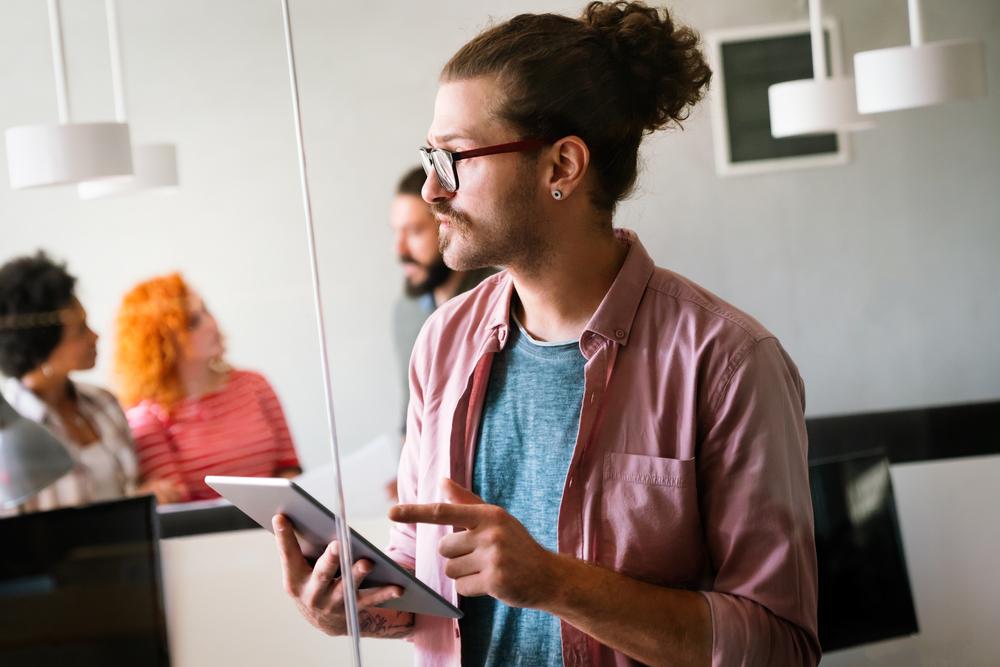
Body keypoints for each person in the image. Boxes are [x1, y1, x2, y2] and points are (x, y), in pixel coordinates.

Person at [274, 3, 820, 666]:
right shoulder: (441, 344)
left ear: (561, 166)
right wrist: (353, 605)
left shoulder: (730, 363)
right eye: (429, 157)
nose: (431, 190)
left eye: (453, 159)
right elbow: (421, 566)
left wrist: (559, 584)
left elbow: (780, 645)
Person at [0, 253, 182, 513]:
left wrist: (147, 496)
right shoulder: (9, 436)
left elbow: (128, 489)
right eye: (80, 330)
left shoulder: (103, 403)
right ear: (41, 349)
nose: (95, 336)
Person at [115, 273, 301, 503]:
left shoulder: (255, 384)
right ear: (161, 342)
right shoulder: (148, 416)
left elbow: (289, 468)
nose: (211, 324)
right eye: (193, 322)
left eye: (206, 311)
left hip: (278, 524)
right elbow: (178, 501)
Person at [391, 166, 497, 433]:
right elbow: (413, 416)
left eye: (414, 232)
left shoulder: (501, 301)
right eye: (396, 232)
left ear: (446, 225)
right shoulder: (406, 311)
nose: (400, 250)